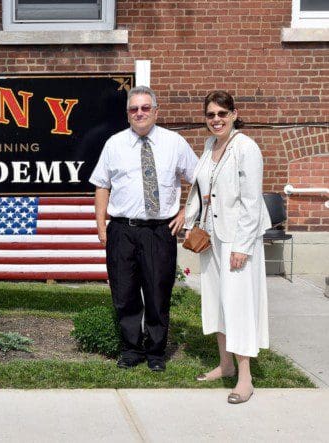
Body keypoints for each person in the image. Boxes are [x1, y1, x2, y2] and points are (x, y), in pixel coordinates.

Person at [90, 85, 199, 372]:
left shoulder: (174, 143)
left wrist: (188, 211)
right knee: (124, 293)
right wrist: (102, 226)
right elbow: (102, 184)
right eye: (133, 109)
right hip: (122, 230)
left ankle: (155, 352)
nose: (139, 113)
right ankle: (131, 349)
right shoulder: (114, 144)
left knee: (157, 292)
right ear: (127, 114)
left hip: (159, 232)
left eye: (145, 108)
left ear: (155, 110)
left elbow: (200, 179)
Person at [183, 90, 271, 404]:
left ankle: (245, 379)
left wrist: (243, 246)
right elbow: (200, 190)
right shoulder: (210, 146)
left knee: (239, 305)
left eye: (222, 113)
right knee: (218, 302)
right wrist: (189, 218)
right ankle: (225, 364)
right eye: (211, 115)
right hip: (211, 237)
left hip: (237, 239)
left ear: (234, 114)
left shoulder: (246, 148)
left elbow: (251, 201)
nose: (216, 120)